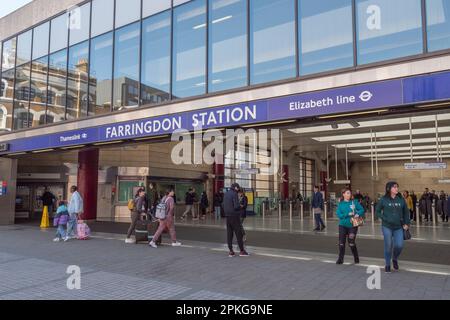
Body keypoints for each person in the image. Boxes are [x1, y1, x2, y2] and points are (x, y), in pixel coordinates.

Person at [376, 181, 411, 273]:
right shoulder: (383, 199)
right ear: (389, 189)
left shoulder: (401, 199)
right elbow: (377, 211)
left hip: (398, 227)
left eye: (397, 187)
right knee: (388, 246)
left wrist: (407, 223)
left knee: (399, 245)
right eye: (394, 187)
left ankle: (394, 258)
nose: (396, 189)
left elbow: (406, 212)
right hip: (387, 226)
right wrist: (385, 218)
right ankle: (387, 264)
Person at [335, 188, 365, 264]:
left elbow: (362, 209)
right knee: (341, 243)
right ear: (343, 194)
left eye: (350, 193)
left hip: (352, 226)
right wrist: (347, 214)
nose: (349, 194)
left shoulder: (354, 202)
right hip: (342, 225)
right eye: (347, 193)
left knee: (351, 243)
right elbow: (338, 214)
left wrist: (357, 213)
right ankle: (340, 259)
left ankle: (356, 257)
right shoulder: (341, 204)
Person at [223, 183, 248, 257]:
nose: (238, 190)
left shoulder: (226, 193)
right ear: (236, 188)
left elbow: (223, 204)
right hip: (234, 216)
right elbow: (236, 206)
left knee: (229, 234)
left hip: (227, 216)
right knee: (238, 233)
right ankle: (242, 251)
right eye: (238, 188)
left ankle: (231, 251)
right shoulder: (234, 194)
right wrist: (240, 206)